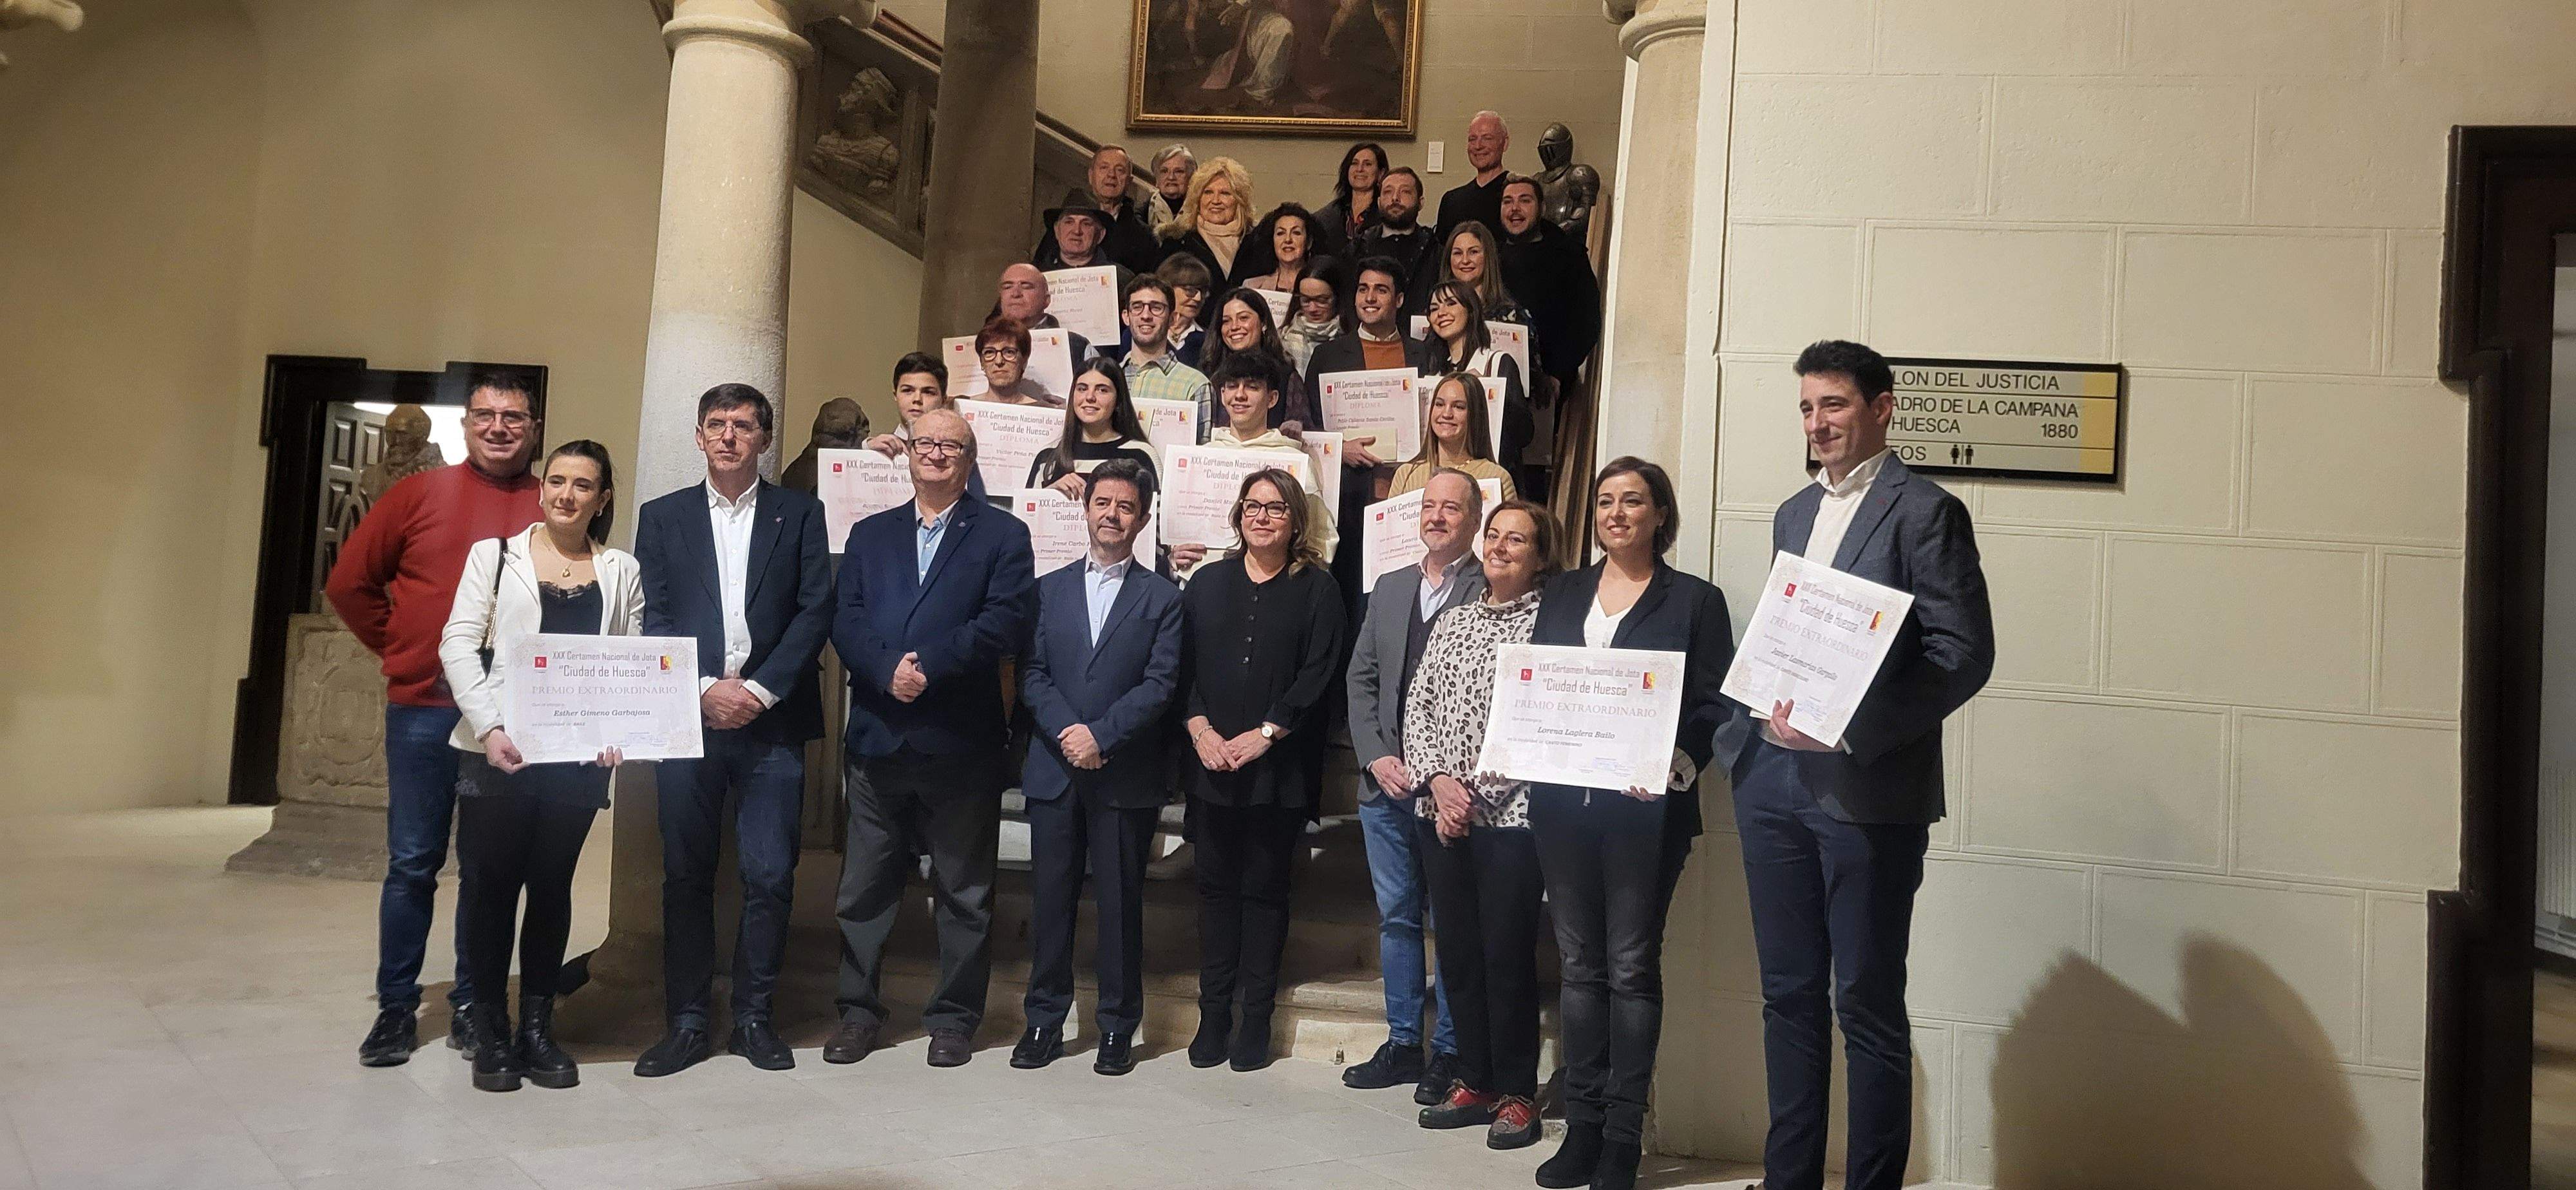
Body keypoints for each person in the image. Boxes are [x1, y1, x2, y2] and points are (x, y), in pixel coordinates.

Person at [1714, 341, 1994, 1190]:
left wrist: (1851, 730)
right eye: (1806, 408)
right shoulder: (1794, 513)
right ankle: (1788, 1178)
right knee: (1787, 997)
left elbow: (1964, 652)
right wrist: (1744, 737)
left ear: (1881, 408)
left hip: (1867, 789)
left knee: (1865, 1006)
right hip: (1772, 782)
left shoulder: (1926, 511)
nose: (1818, 423)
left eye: (1833, 405)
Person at [1526, 458, 1734, 1190]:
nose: (1616, 513)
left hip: (1647, 816)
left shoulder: (1695, 601)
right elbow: (1535, 685)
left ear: (1658, 515)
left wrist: (1675, 765)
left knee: (1629, 969)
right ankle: (1580, 1129)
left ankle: (1622, 1138)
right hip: (1562, 809)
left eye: (1633, 501)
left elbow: (1715, 706)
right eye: (1605, 501)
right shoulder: (1564, 591)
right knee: (1579, 969)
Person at [333, 375, 544, 1068]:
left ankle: (472, 1005)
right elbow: (349, 584)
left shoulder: (553, 503)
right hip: (425, 708)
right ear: (466, 427)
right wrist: (399, 645)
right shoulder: (415, 496)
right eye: (484, 414)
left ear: (533, 427)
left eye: (513, 416)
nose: (498, 426)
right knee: (414, 863)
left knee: (488, 870)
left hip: (512, 720)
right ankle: (397, 1008)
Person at [630, 384, 835, 1079]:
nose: (728, 437)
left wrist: (755, 689)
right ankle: (687, 1022)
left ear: (764, 439)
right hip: (687, 721)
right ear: (697, 437)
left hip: (770, 723)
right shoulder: (661, 519)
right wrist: (701, 690)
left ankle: (753, 1018)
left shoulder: (800, 515)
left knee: (770, 875)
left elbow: (815, 611)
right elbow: (650, 616)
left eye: (742, 426)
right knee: (686, 875)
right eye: (715, 425)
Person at [826, 408, 1036, 1069]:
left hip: (959, 738)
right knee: (863, 890)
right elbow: (846, 618)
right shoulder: (870, 533)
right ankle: (857, 1013)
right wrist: (887, 669)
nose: (936, 453)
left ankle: (953, 1018)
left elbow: (1006, 620)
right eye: (925, 443)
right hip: (879, 735)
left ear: (970, 460)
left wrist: (929, 665)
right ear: (908, 452)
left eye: (951, 445)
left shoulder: (1003, 535)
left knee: (964, 892)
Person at [431, 440, 637, 1093]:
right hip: (502, 752)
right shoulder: (493, 558)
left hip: (577, 760)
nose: (566, 495)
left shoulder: (621, 570)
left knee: (551, 889)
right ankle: (490, 1027)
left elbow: (626, 661)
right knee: (492, 888)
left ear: (603, 499)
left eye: (583, 486)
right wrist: (490, 728)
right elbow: (458, 643)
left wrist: (616, 732)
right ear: (541, 489)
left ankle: (538, 1029)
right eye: (556, 481)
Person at [1011, 459, 1184, 1077]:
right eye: (1102, 503)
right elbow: (1030, 674)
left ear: (1142, 519)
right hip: (1056, 768)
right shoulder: (1047, 589)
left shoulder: (1163, 597)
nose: (1112, 514)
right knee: (1051, 901)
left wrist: (1101, 736)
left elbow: (1161, 683)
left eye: (1126, 506)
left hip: (1122, 773)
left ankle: (1116, 1027)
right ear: (1086, 511)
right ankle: (1044, 1020)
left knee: (1119, 905)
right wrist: (1068, 732)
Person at [1403, 497, 1558, 1149]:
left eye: (1515, 540)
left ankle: (1519, 1092)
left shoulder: (1552, 625)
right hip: (1440, 813)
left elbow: (1544, 722)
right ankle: (1475, 1078)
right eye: (1493, 534)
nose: (1498, 546)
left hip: (1510, 817)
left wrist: (1475, 793)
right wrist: (1439, 784)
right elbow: (1419, 705)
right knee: (1459, 955)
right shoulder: (1455, 620)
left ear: (1541, 556)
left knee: (1505, 957)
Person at [1181, 468, 1347, 1072]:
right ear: (1237, 514)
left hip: (1277, 769)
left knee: (1265, 892)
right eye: (1252, 506)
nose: (1262, 517)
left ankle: (1256, 1020)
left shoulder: (1318, 589)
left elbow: (1319, 673)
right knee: (1214, 892)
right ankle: (1213, 1014)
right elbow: (1182, 668)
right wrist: (1201, 730)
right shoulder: (1206, 582)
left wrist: (1266, 733)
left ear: (1295, 521)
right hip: (1210, 763)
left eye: (1276, 509)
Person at [1341, 469, 1485, 1104]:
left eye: (1451, 507)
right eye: (1429, 506)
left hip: (1452, 794)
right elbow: (1361, 680)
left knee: (1451, 922)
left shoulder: (1494, 591)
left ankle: (1449, 1050)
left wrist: (1440, 772)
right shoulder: (1391, 586)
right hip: (1386, 789)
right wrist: (1375, 758)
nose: (1437, 516)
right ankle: (1404, 1043)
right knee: (1396, 918)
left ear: (1475, 520)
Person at [1166, 352, 1336, 575]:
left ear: (1272, 398)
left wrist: (1298, 579)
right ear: (1222, 393)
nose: (1240, 395)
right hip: (1204, 587)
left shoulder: (1294, 463)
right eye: (1232, 386)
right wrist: (1174, 557)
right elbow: (1178, 540)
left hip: (1274, 590)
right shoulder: (1200, 459)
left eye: (1252, 387)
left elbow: (1320, 541)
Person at [1496, 173, 1602, 397]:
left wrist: (1558, 373)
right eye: (1508, 202)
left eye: (1525, 200)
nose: (1515, 208)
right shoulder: (1489, 255)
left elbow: (1587, 321)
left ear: (1542, 208)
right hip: (1493, 380)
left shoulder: (1569, 255)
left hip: (1548, 387)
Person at [1423, 279, 1533, 483]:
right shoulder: (1432, 372)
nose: (1441, 312)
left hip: (1488, 478)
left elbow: (1524, 433)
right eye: (1434, 308)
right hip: (1440, 479)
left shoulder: (1498, 363)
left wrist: (1489, 395)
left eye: (1451, 303)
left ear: (1471, 310)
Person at [865, 352, 989, 503]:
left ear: (943, 399)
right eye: (908, 391)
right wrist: (865, 450)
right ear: (895, 395)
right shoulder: (875, 450)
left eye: (928, 392)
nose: (917, 399)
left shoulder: (958, 454)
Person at [1027, 358, 1159, 496]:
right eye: (1082, 389)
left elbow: (1156, 515)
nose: (1090, 397)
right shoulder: (1048, 456)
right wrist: (1049, 495)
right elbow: (1026, 514)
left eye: (1102, 390)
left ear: (1118, 400)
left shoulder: (1142, 455)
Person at [1390, 372, 1517, 502]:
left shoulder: (1498, 478)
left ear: (1476, 415)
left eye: (1458, 407)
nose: (1446, 414)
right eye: (1439, 404)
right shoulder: (1406, 475)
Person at [1198, 287, 1313, 428]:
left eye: (1243, 318)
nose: (1234, 327)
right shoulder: (1208, 374)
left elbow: (1303, 426)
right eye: (1226, 321)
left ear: (1264, 323)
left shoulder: (1286, 377)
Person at [1117, 274, 1212, 439]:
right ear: (1126, 316)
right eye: (1137, 307)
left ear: (1172, 318)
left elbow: (1202, 451)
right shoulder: (1107, 380)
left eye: (1156, 307)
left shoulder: (1195, 384)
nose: (1146, 315)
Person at [1158, 156, 1258, 301]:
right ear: (1197, 199)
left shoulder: (1257, 243)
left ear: (1239, 201)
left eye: (1225, 193)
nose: (1215, 201)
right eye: (1208, 192)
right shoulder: (1177, 243)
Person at [996, 263, 1098, 366]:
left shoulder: (1076, 346)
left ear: (1047, 299)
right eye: (1008, 287)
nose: (1016, 294)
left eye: (1026, 287)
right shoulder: (983, 344)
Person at [1362, 167, 1439, 304]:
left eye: (1405, 192)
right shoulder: (1359, 248)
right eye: (1388, 192)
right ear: (1379, 202)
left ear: (1421, 203)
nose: (1395, 198)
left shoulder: (1435, 251)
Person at [1434, 111, 1511, 243]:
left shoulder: (1517, 196)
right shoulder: (1452, 201)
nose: (1478, 146)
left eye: (1487, 138)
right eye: (1472, 139)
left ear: (1504, 143)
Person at [1032, 195, 1136, 287]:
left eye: (1086, 224)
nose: (1077, 231)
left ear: (1100, 235)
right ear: (1057, 230)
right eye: (1069, 222)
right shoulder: (1033, 278)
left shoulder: (1122, 281)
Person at [1439, 220, 1527, 326]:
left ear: (1488, 257)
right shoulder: (1437, 312)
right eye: (1458, 253)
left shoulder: (1513, 315)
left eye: (1474, 252)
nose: (1465, 260)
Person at [1312, 142, 1388, 260]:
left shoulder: (1387, 217)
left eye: (1367, 164)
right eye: (1354, 163)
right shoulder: (1325, 217)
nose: (1360, 169)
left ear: (1381, 173)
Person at [1241, 202, 1329, 298]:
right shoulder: (1252, 287)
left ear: (1309, 242)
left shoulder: (1324, 286)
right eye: (1281, 233)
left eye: (1296, 233)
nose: (1288, 240)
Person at [974, 316, 1061, 408]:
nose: (999, 361)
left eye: (1009, 352)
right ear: (982, 362)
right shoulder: (961, 407)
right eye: (990, 352)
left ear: (1024, 361)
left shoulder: (1044, 411)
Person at [1279, 263, 1344, 377]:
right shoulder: (1281, 342)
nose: (1312, 308)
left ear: (1337, 299)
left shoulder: (1351, 341)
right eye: (1306, 300)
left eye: (1322, 301)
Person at [1154, 254, 1215, 366]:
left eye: (1203, 291)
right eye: (1190, 291)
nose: (1198, 298)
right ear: (1168, 289)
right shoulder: (1144, 333)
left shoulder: (1210, 340)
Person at [1145, 142, 1197, 232]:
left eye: (1179, 171)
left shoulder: (1201, 212)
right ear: (1157, 179)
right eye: (1164, 171)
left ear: (1191, 177)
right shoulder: (1141, 214)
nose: (1171, 177)